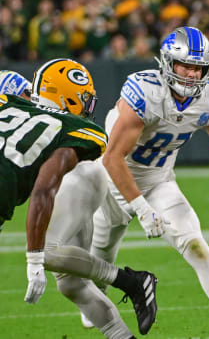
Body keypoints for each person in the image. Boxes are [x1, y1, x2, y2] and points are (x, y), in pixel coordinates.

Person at [88, 26, 209, 339]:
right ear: (167, 63)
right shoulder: (145, 91)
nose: (190, 74)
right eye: (184, 65)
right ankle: (94, 302)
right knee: (102, 252)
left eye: (197, 67)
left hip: (160, 180)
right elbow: (111, 158)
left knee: (195, 243)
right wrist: (142, 209)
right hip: (113, 181)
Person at [0, 58, 158, 337]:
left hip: (76, 176)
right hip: (68, 176)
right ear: (66, 96)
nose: (88, 105)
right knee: (70, 282)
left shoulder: (14, 103)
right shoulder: (53, 119)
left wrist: (34, 259)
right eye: (84, 98)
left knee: (47, 253)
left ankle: (132, 282)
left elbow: (44, 188)